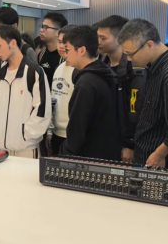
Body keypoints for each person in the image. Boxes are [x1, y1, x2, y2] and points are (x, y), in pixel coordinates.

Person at [118, 19, 168, 169]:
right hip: (148, 152)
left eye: (131, 54)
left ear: (149, 45)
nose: (129, 59)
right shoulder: (156, 66)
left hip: (164, 162)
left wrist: (159, 155)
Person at [59, 26, 122, 159]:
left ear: (82, 50)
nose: (65, 55)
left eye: (68, 50)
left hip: (89, 155)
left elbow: (77, 128)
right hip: (107, 151)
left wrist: (65, 155)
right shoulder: (105, 73)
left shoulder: (86, 83)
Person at [0, 25, 51, 158]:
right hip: (1, 149)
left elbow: (42, 111)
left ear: (13, 43)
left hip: (26, 150)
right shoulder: (0, 75)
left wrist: (25, 134)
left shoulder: (34, 72)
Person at [0, 7, 38, 146]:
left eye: (1, 27)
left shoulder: (27, 51)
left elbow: (35, 93)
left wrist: (26, 130)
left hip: (17, 124)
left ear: (14, 26)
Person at [97, 15, 147, 164]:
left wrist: (129, 144)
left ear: (120, 38)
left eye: (103, 38)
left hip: (128, 141)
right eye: (97, 37)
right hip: (107, 138)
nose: (98, 42)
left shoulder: (135, 68)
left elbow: (136, 109)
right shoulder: (102, 64)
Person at [46, 24, 78, 156]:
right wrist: (50, 130)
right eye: (59, 42)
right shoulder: (59, 67)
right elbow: (53, 100)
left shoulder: (79, 70)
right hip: (56, 133)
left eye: (65, 43)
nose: (61, 46)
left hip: (73, 135)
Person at [38, 12, 68, 87]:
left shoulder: (65, 56)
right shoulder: (42, 53)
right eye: (41, 26)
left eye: (45, 27)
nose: (41, 30)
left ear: (58, 32)